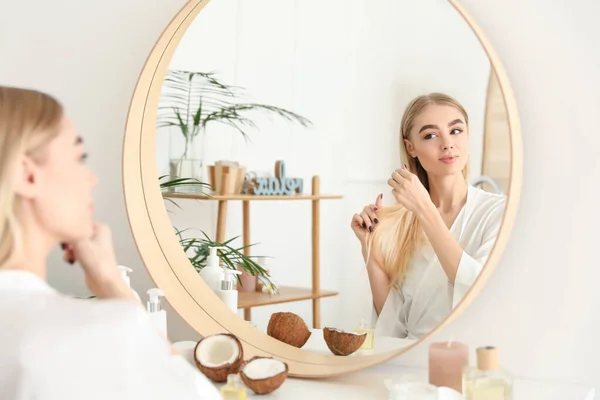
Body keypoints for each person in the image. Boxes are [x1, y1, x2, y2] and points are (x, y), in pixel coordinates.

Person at [0, 86, 221, 399]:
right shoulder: (93, 333)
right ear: (27, 175)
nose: (93, 178)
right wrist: (114, 288)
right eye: (80, 157)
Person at [351, 93, 506, 340]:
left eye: (456, 130)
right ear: (410, 147)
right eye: (430, 135)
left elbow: (477, 291)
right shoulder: (403, 224)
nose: (447, 144)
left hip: (459, 357)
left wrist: (424, 208)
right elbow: (393, 321)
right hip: (408, 361)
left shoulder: (498, 212)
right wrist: (369, 248)